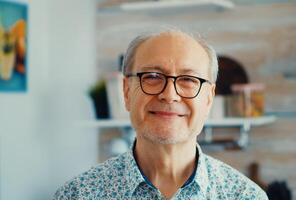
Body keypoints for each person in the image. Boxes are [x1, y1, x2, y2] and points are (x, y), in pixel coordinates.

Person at [53, 29, 268, 200]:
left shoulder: (245, 196)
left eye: (188, 80)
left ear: (209, 98)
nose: (169, 95)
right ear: (127, 91)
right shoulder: (77, 195)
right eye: (153, 76)